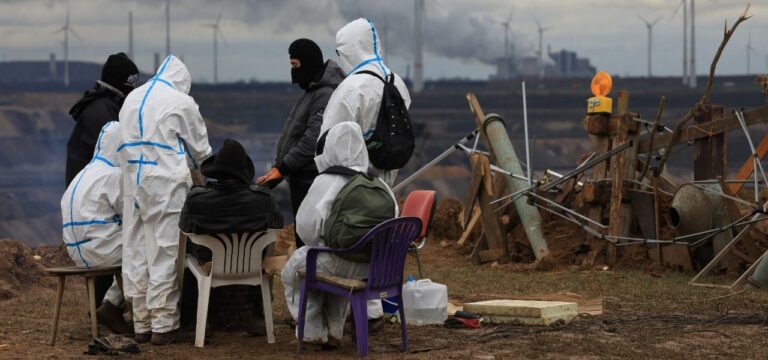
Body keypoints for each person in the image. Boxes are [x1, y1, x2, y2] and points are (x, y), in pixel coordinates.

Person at [118, 55, 212, 345]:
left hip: (132, 183)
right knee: (164, 252)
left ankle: (141, 323)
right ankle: (163, 325)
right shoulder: (181, 102)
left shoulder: (132, 98)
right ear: (183, 81)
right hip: (165, 186)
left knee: (136, 252)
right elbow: (202, 151)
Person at [281, 122, 398, 347]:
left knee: (298, 267)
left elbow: (305, 229)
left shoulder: (325, 182)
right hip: (376, 268)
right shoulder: (379, 184)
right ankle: (335, 330)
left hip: (337, 263)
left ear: (329, 148)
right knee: (330, 260)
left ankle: (312, 330)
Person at [179, 139, 284, 335]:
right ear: (243, 171)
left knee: (188, 251)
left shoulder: (197, 199)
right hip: (251, 265)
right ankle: (255, 315)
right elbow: (276, 226)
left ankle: (192, 320)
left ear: (217, 170)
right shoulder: (263, 199)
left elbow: (184, 228)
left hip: (209, 264)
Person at [256, 38, 345, 248]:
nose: (293, 72)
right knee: (302, 232)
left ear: (308, 62)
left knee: (307, 235)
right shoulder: (312, 91)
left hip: (309, 177)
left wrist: (284, 167)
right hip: (299, 174)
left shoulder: (323, 94)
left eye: (296, 65)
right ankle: (306, 275)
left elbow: (312, 139)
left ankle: (310, 276)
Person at [319, 18, 412, 187]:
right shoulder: (397, 82)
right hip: (386, 184)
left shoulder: (351, 87)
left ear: (348, 50)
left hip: (353, 188)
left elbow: (329, 142)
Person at [61, 121, 131, 334]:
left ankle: (110, 306)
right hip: (99, 250)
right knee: (148, 249)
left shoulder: (85, 173)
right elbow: (130, 215)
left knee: (133, 249)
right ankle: (145, 318)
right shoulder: (113, 176)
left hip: (77, 251)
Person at [66, 52, 139, 186]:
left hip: (87, 189)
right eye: (130, 83)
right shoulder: (103, 114)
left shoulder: (104, 106)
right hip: (92, 192)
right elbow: (115, 156)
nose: (132, 89)